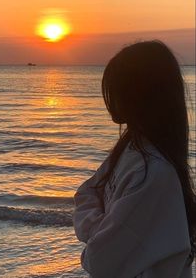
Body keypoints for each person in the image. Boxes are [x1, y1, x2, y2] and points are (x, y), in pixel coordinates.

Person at [72, 40, 196, 278]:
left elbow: (98, 261)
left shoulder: (153, 173)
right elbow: (85, 193)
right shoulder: (130, 150)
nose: (108, 99)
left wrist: (97, 233)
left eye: (115, 89)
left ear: (139, 94)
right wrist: (102, 229)